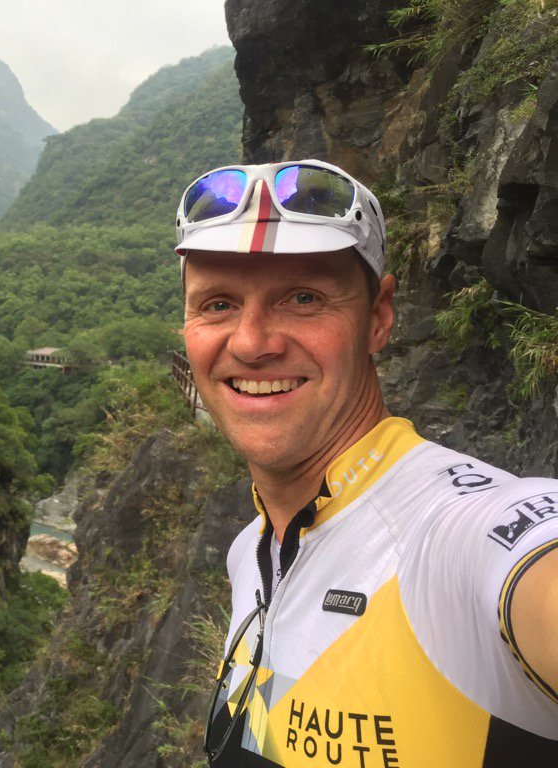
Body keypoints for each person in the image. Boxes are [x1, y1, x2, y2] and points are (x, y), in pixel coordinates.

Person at [175, 159, 558, 767]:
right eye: (217, 304)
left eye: (303, 298)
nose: (250, 343)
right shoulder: (251, 552)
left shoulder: (456, 535)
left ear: (378, 316)